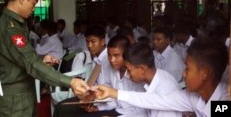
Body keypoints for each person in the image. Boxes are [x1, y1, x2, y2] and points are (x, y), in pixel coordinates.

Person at [0, 0, 89, 117]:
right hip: (15, 99)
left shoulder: (17, 23)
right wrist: (70, 81)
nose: (33, 9)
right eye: (33, 3)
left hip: (22, 94)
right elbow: (31, 63)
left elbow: (20, 57)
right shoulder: (11, 29)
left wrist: (41, 59)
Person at [94, 37, 228, 117]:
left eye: (187, 68)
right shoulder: (192, 96)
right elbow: (157, 100)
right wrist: (114, 93)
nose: (183, 73)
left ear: (205, 73)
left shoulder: (224, 103)